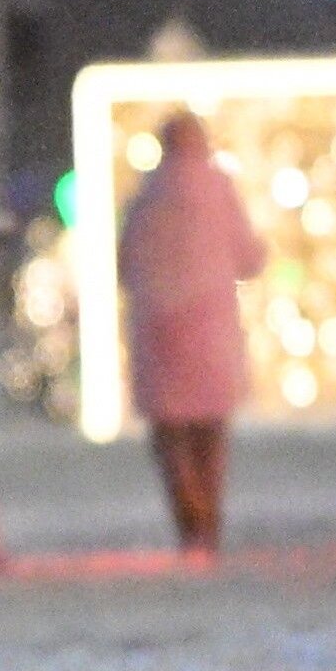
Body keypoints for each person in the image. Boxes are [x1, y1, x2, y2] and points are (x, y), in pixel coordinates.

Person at [115, 112, 267, 556]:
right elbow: (249, 255)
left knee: (170, 434)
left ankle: (189, 518)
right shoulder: (219, 190)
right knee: (210, 433)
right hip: (210, 330)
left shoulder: (145, 197)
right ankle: (208, 519)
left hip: (159, 332)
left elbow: (125, 263)